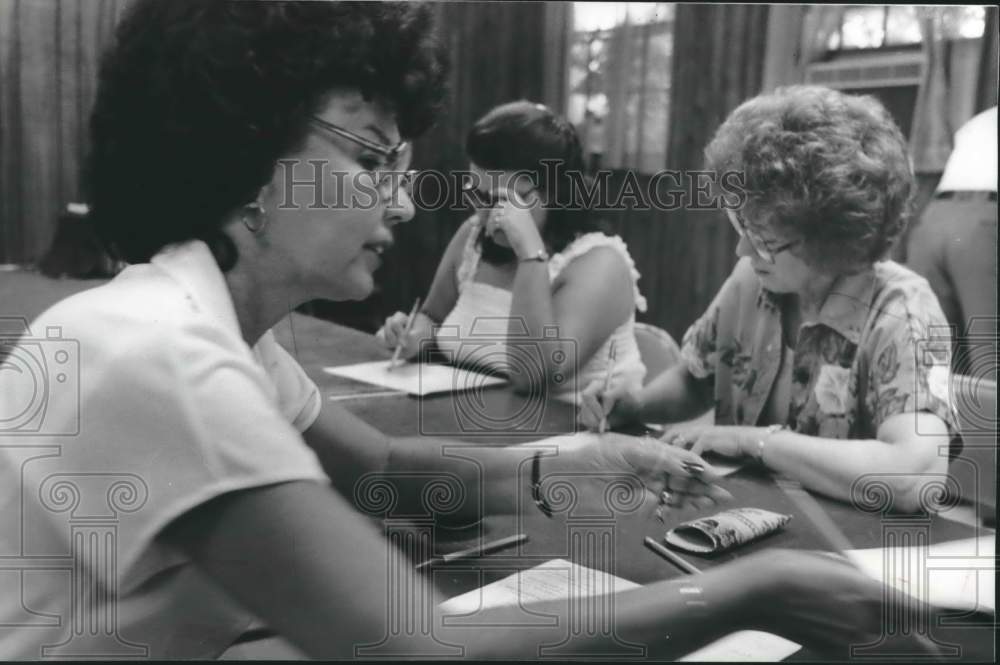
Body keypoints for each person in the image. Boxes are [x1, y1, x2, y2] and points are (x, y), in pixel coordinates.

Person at [0, 5, 927, 660]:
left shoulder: (206, 329)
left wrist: (561, 467)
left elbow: (379, 472)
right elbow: (412, 647)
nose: (406, 197)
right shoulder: (154, 348)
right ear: (240, 155)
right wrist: (752, 590)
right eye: (372, 157)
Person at [581, 86, 961, 514]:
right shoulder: (755, 278)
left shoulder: (902, 313)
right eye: (739, 225)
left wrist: (757, 442)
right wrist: (634, 403)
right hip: (744, 520)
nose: (741, 252)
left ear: (830, 239)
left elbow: (914, 477)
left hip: (855, 548)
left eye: (763, 240)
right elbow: (697, 378)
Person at [378, 101, 647, 397]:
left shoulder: (600, 264)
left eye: (502, 200)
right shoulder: (474, 234)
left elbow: (532, 376)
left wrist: (530, 254)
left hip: (576, 432)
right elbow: (432, 316)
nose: (484, 214)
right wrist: (413, 334)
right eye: (476, 194)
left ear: (553, 192)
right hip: (483, 420)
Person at [906, 106, 998, 377]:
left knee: (937, 360)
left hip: (934, 218)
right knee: (989, 358)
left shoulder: (981, 120)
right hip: (984, 223)